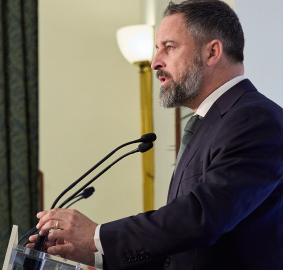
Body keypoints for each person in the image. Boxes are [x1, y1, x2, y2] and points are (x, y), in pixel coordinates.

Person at [27, 0, 283, 269]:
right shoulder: (207, 125)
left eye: (169, 47)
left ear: (212, 52)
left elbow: (201, 218)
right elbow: (184, 249)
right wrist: (97, 257)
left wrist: (96, 236)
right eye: (156, 49)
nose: (155, 62)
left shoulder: (256, 119)